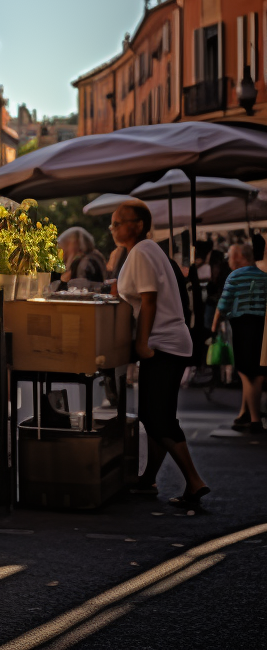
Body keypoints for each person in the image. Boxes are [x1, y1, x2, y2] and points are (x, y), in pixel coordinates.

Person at [112, 201, 210, 508]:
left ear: (138, 224)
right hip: (171, 342)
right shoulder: (148, 250)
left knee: (155, 416)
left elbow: (149, 299)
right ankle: (148, 478)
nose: (113, 228)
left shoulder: (141, 251)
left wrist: (142, 344)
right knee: (158, 415)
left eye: (119, 222)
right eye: (112, 223)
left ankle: (194, 482)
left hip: (162, 344)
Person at [212, 242, 267, 432]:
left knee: (245, 372)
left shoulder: (234, 275)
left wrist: (214, 326)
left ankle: (255, 420)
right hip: (262, 326)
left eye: (230, 256)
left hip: (243, 326)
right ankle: (244, 414)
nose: (228, 260)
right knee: (257, 372)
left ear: (238, 257)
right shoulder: (263, 276)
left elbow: (224, 303)